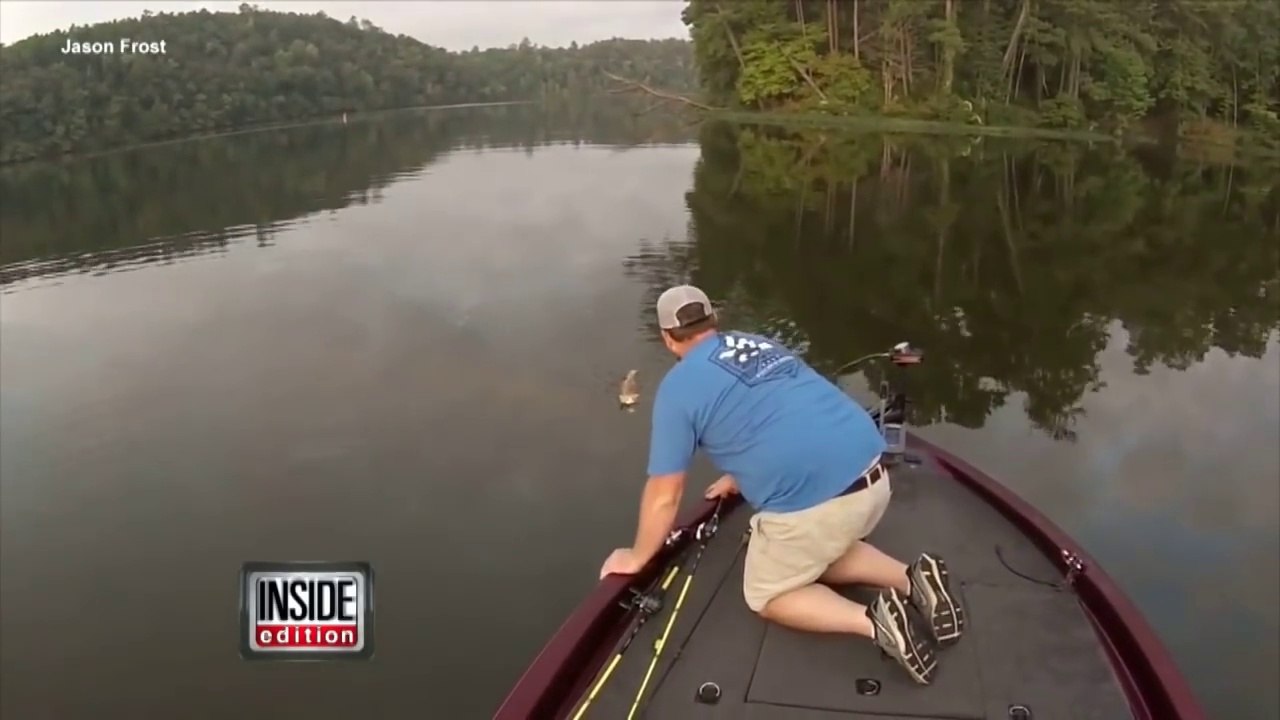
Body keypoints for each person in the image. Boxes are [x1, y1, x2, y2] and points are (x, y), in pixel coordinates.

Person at [599, 285, 965, 685]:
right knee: (817, 546)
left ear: (668, 338)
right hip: (874, 473)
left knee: (770, 596)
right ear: (714, 321)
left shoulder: (677, 390)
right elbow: (784, 410)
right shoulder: (758, 343)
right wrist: (741, 474)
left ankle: (874, 621)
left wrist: (637, 557)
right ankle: (913, 579)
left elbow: (664, 495)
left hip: (821, 506)